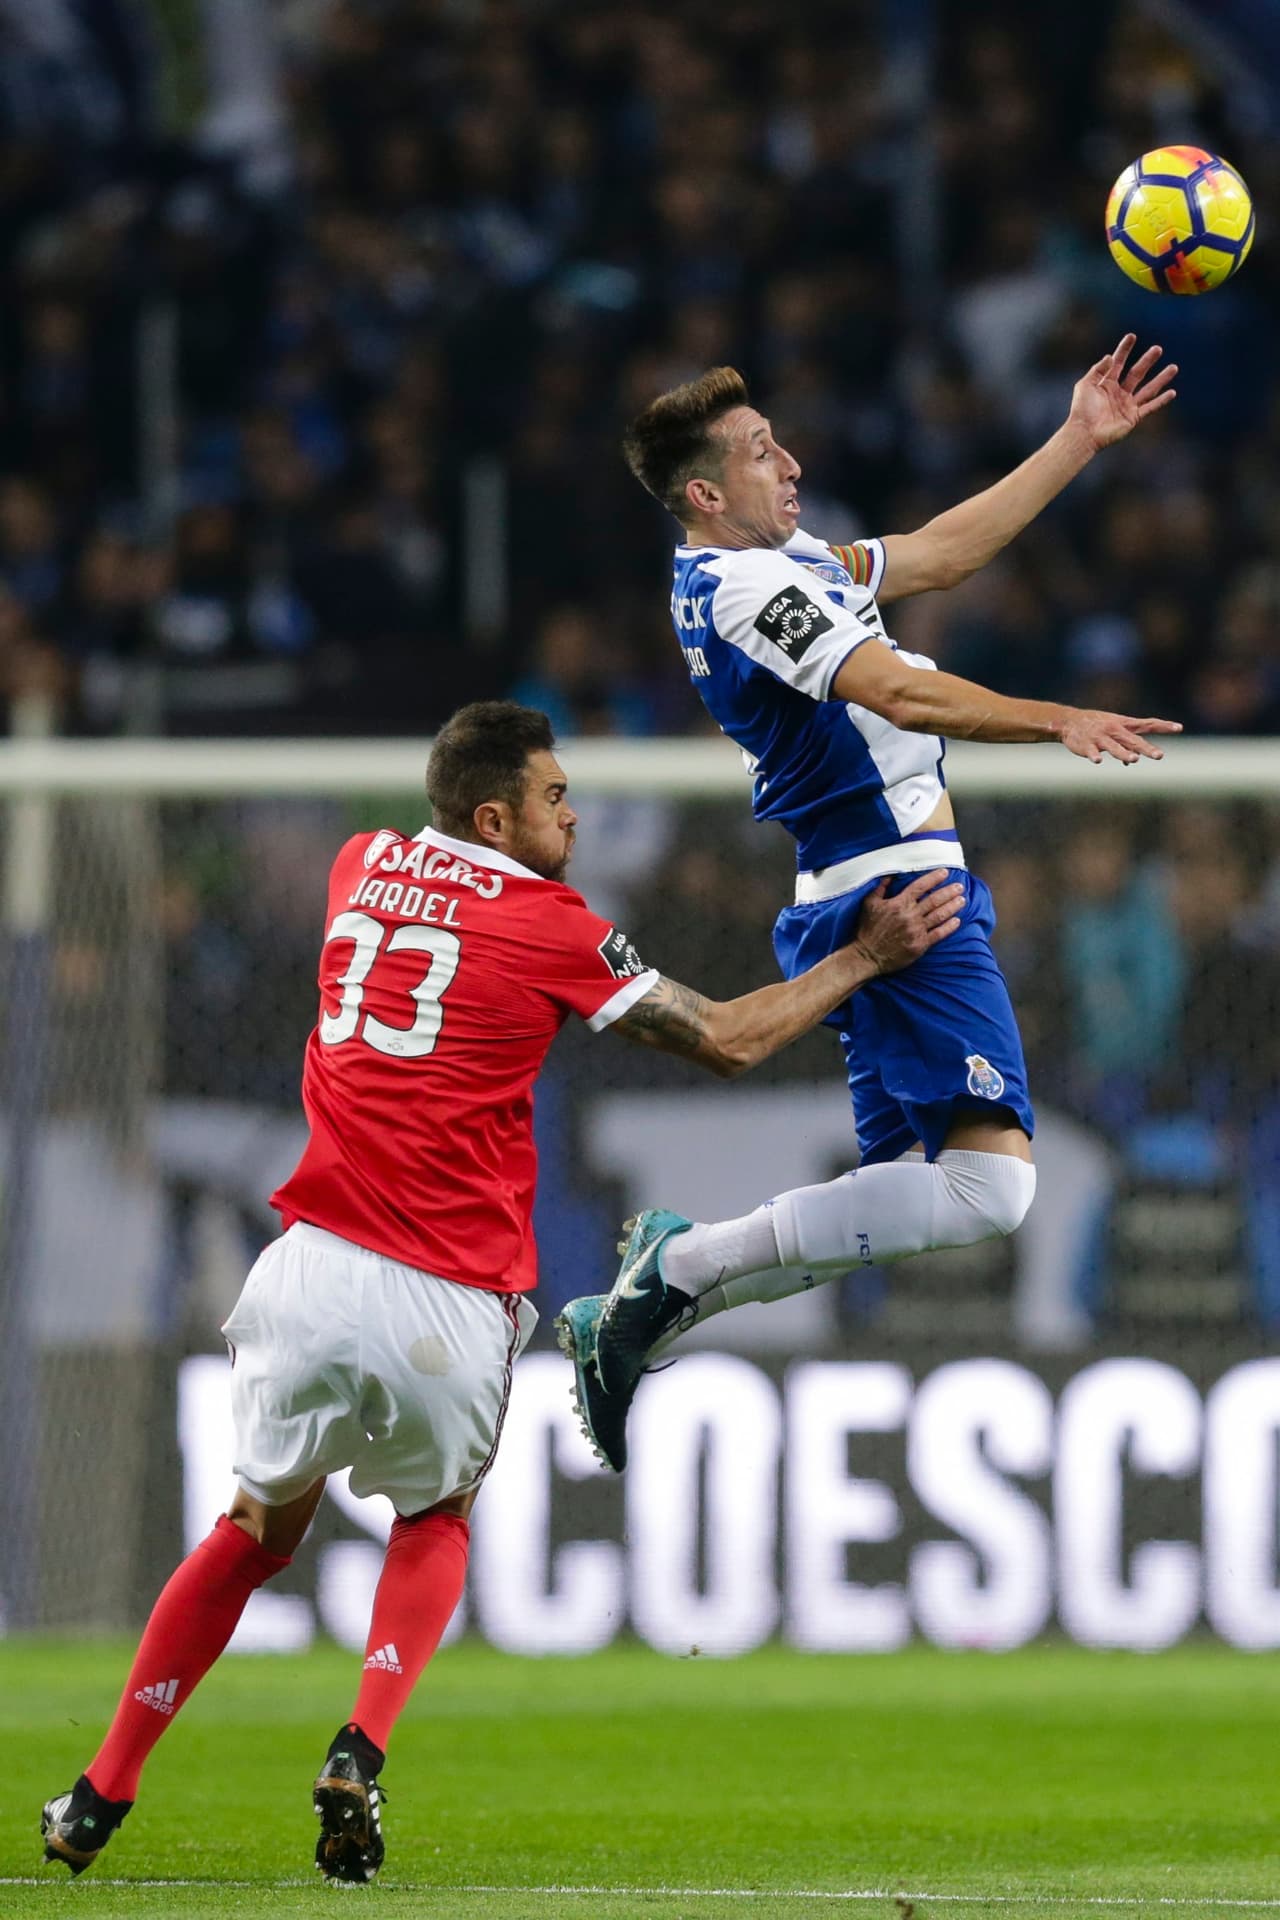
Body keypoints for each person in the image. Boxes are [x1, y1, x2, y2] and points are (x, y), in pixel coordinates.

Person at [40, 700, 961, 1886]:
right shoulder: (552, 925)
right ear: (495, 815)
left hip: (305, 1270)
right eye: (553, 796)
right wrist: (863, 957)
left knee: (252, 1532)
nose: (572, 814)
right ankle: (359, 1750)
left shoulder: (358, 862)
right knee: (434, 1521)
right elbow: (728, 1038)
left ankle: (98, 1793)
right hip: (444, 1293)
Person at [557, 341, 1181, 1472]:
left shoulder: (777, 560)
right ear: (703, 494)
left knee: (912, 1193)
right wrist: (1054, 719)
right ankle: (678, 1274)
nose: (787, 463)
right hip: (891, 886)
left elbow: (938, 555)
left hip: (870, 879)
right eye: (757, 454)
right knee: (989, 1192)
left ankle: (668, 1283)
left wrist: (1076, 437)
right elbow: (890, 686)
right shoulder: (743, 587)